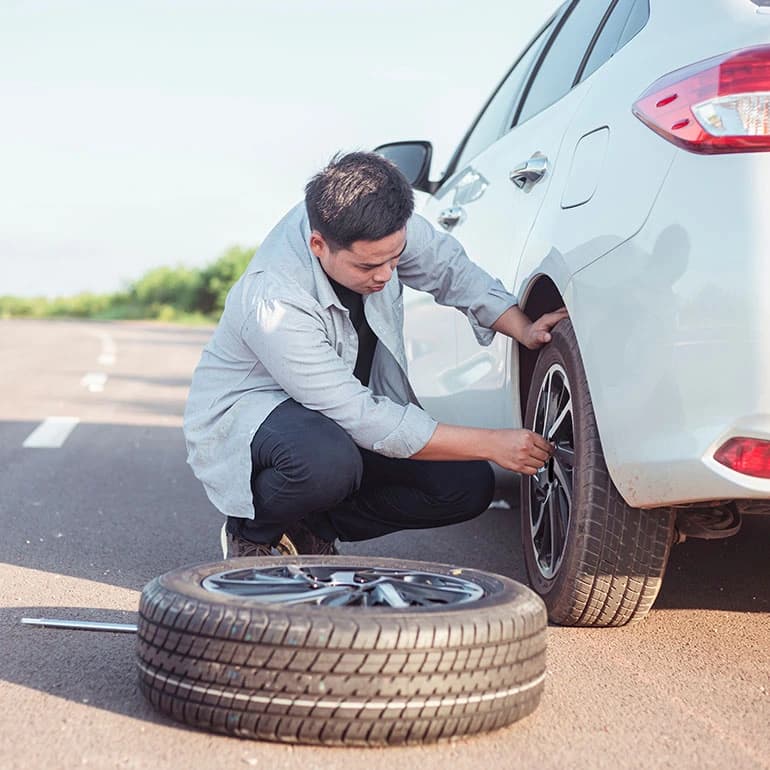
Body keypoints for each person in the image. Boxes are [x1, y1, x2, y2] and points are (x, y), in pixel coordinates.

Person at [183, 151, 567, 558]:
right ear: (318, 245)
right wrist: (492, 443)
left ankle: (310, 528)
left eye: (395, 259)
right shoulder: (274, 299)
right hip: (257, 414)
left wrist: (521, 326)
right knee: (327, 462)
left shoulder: (380, 225)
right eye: (367, 266)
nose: (385, 275)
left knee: (465, 485)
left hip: (336, 417)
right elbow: (359, 415)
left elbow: (450, 271)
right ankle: (254, 532)